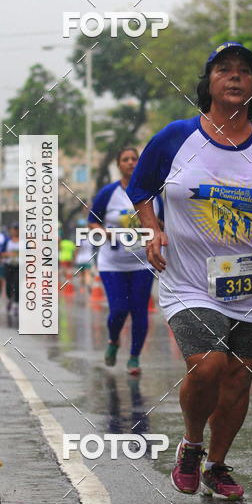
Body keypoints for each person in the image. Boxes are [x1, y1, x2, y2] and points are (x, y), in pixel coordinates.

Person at [128, 42, 252, 500]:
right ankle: (191, 444)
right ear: (208, 83)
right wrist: (153, 228)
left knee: (239, 378)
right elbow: (141, 187)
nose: (235, 76)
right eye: (224, 69)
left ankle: (217, 465)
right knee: (208, 366)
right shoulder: (175, 137)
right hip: (189, 279)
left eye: (244, 71)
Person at [88, 147, 162, 374]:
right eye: (125, 159)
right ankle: (113, 341)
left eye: (134, 159)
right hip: (113, 263)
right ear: (119, 165)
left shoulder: (153, 193)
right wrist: (104, 232)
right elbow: (92, 222)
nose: (130, 162)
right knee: (119, 309)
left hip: (143, 263)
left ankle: (134, 358)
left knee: (140, 310)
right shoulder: (108, 193)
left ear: (139, 163)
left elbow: (163, 224)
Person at [1, 223, 20, 317]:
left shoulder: (25, 242)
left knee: (17, 284)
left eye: (17, 229)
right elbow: (1, 253)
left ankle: (16, 304)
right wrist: (8, 254)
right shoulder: (7, 241)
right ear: (11, 231)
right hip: (9, 265)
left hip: (19, 267)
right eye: (14, 229)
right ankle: (9, 299)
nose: (15, 231)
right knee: (8, 285)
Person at [74, 219, 94, 293]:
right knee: (87, 273)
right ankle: (89, 284)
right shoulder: (90, 239)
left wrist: (75, 258)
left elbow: (76, 250)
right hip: (88, 258)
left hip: (80, 259)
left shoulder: (79, 240)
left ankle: (82, 288)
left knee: (81, 275)